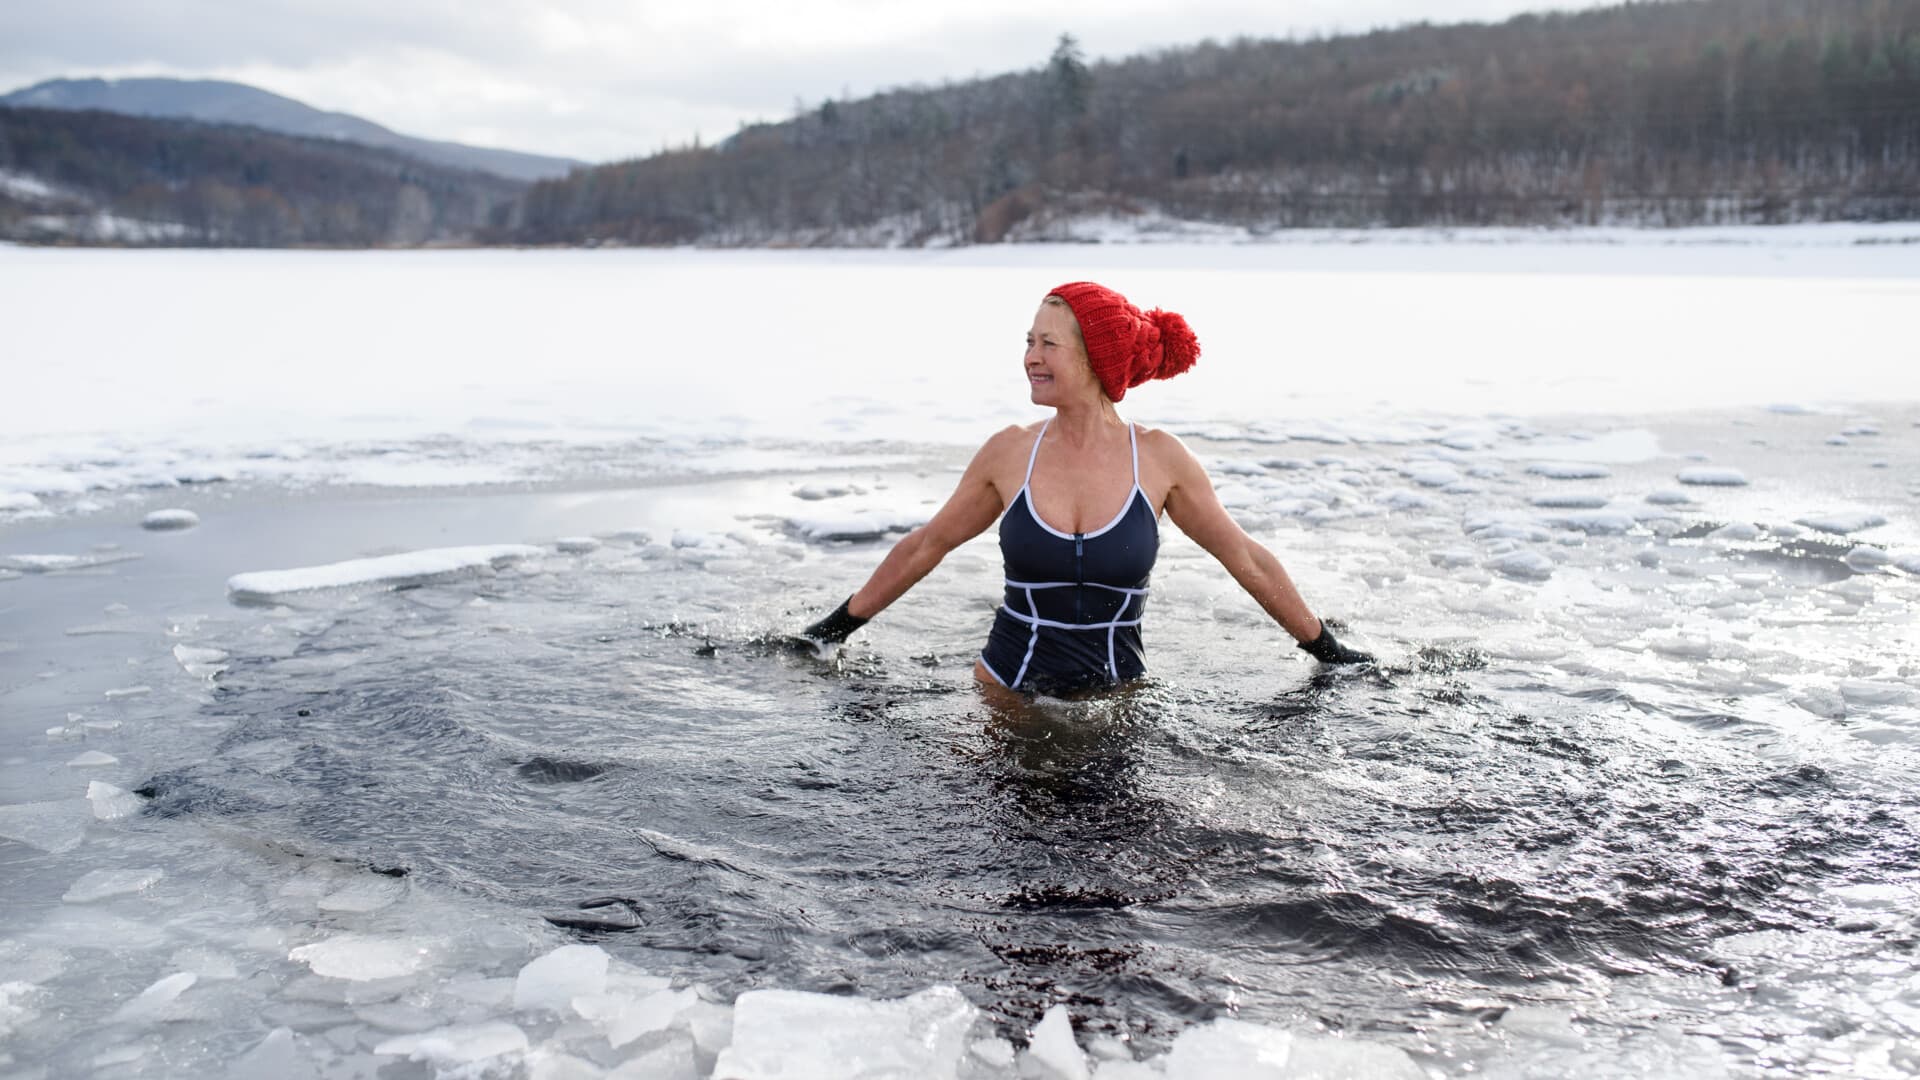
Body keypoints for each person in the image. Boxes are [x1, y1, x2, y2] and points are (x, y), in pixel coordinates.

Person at [800, 281, 1371, 694]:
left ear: (1096, 357)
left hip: (1116, 697)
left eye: (1049, 344)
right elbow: (928, 545)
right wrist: (833, 629)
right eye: (1028, 341)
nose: (1030, 357)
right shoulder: (1009, 453)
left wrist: (1326, 650)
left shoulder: (1159, 460)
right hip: (1006, 690)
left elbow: (1243, 557)